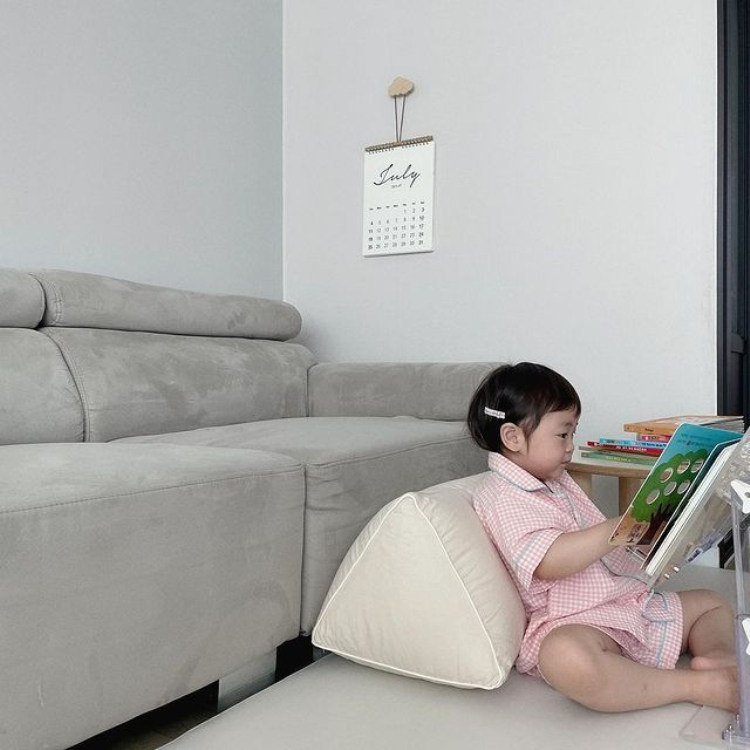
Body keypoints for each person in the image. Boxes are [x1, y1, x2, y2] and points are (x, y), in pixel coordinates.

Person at [468, 362, 738, 713]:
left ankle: (720, 661)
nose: (570, 447)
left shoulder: (554, 482)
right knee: (565, 656)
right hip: (576, 621)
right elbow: (548, 561)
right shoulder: (504, 496)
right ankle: (696, 686)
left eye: (573, 434)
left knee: (711, 603)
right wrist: (613, 530)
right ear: (513, 437)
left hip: (624, 604)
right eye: (563, 435)